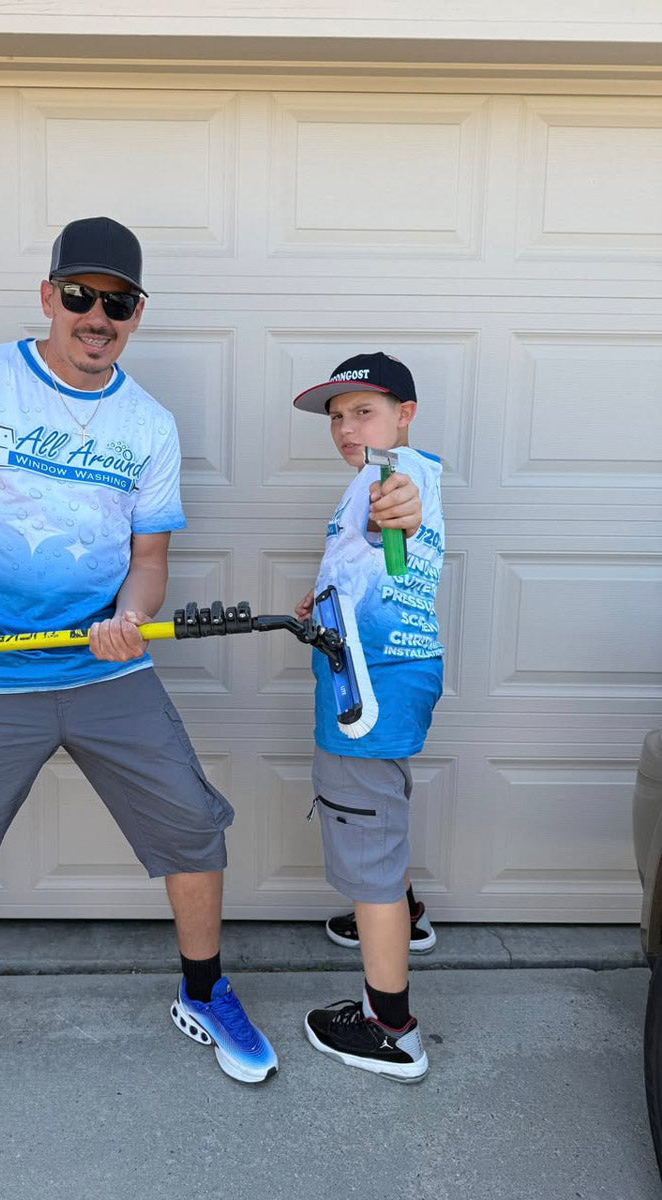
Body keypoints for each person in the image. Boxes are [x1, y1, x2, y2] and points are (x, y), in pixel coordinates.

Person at [0, 216, 277, 1135]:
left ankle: (204, 991)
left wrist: (131, 616)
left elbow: (149, 559)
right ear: (47, 296)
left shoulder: (147, 424)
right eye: (79, 295)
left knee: (193, 825)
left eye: (117, 302)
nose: (96, 316)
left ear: (137, 313)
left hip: (104, 675)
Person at [292, 352, 444, 1082]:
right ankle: (403, 918)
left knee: (366, 829)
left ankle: (390, 1030)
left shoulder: (392, 476)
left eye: (364, 411)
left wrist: (396, 508)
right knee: (381, 808)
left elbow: (398, 512)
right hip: (396, 674)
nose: (346, 428)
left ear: (404, 415)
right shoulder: (394, 472)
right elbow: (373, 564)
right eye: (337, 417)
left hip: (368, 688)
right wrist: (321, 598)